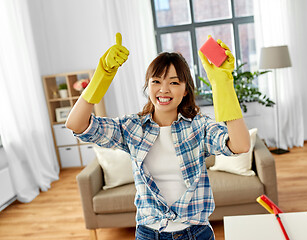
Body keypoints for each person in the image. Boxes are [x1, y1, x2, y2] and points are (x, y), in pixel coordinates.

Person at [66, 33, 250, 240]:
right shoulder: (133, 127)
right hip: (148, 233)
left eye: (173, 82)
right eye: (156, 81)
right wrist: (101, 77)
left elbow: (240, 145)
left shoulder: (199, 126)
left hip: (196, 233)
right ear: (148, 87)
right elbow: (76, 124)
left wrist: (223, 84)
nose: (163, 90)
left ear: (185, 90)